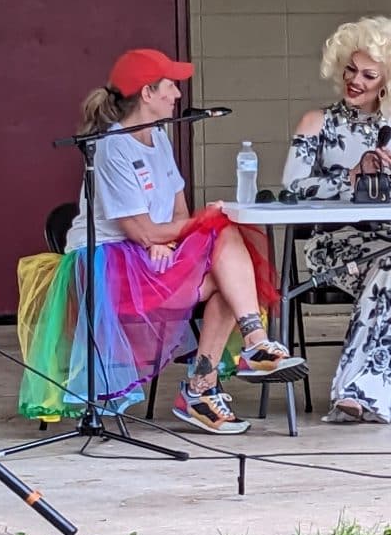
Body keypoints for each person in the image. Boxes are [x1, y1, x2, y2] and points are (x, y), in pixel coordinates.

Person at [17, 49, 305, 435]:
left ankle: (229, 365)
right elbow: (144, 231)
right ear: (147, 93)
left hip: (150, 257)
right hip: (109, 266)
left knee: (227, 270)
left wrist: (169, 239)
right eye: (170, 85)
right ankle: (214, 379)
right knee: (223, 238)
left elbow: (178, 216)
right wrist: (168, 234)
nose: (178, 94)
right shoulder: (111, 145)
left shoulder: (160, 137)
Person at [282, 16, 391, 424]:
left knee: (390, 261)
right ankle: (369, 392)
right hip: (334, 247)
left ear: (387, 82)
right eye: (350, 69)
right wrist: (351, 178)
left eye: (368, 74)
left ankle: (358, 393)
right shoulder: (316, 123)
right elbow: (290, 189)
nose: (355, 80)